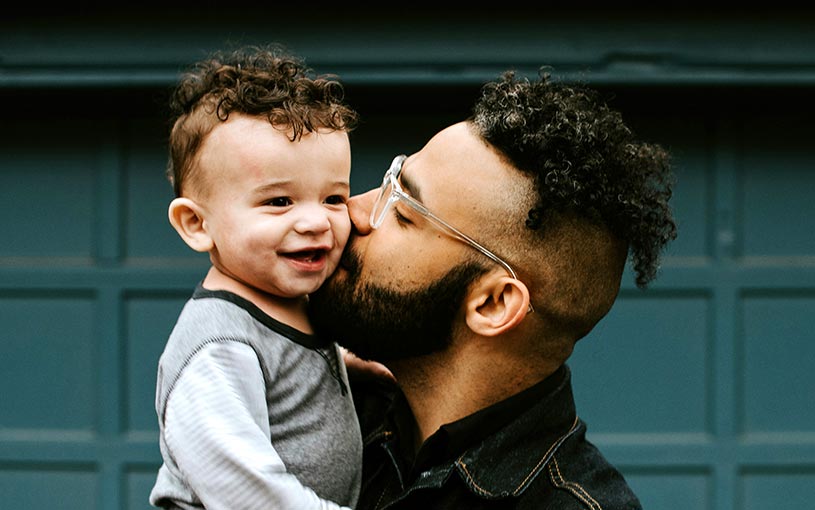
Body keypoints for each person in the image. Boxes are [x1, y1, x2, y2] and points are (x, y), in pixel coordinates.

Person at [307, 69, 677, 509]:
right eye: (390, 180)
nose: (353, 210)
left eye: (404, 213)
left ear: (494, 303)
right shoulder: (315, 400)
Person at [149, 45, 362, 510]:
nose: (314, 221)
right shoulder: (217, 348)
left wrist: (352, 365)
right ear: (197, 224)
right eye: (279, 202)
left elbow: (291, 367)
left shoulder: (290, 301)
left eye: (332, 198)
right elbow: (245, 489)